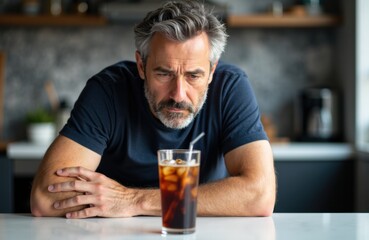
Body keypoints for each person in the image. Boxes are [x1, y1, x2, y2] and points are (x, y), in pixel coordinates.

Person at [30, 0, 276, 219]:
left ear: (212, 72)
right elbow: (44, 197)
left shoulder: (230, 88)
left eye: (193, 76)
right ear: (141, 65)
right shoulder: (108, 91)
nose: (178, 94)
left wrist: (133, 200)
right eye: (164, 73)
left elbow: (260, 195)